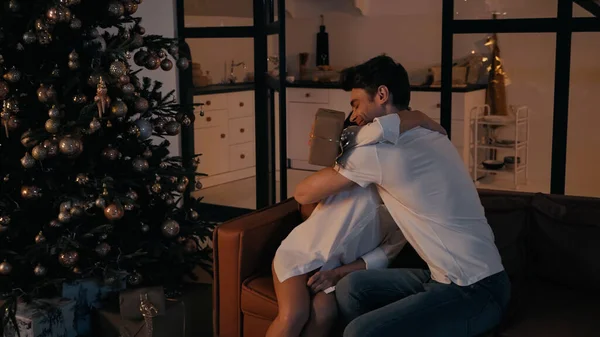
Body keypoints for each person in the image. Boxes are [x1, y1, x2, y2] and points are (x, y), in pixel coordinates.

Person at [293, 54, 511, 337]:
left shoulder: (381, 152)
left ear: (382, 94)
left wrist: (339, 144)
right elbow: (389, 128)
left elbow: (302, 193)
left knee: (358, 332)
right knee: (351, 287)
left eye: (357, 103)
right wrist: (416, 116)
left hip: (475, 290)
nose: (354, 115)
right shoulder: (427, 132)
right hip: (444, 278)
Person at [266, 74, 448, 337]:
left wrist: (337, 274)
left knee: (325, 313)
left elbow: (387, 253)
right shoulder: (356, 160)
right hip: (301, 254)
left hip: (329, 269)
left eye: (355, 103)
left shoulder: (409, 194)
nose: (354, 114)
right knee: (294, 314)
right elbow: (304, 197)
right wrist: (332, 157)